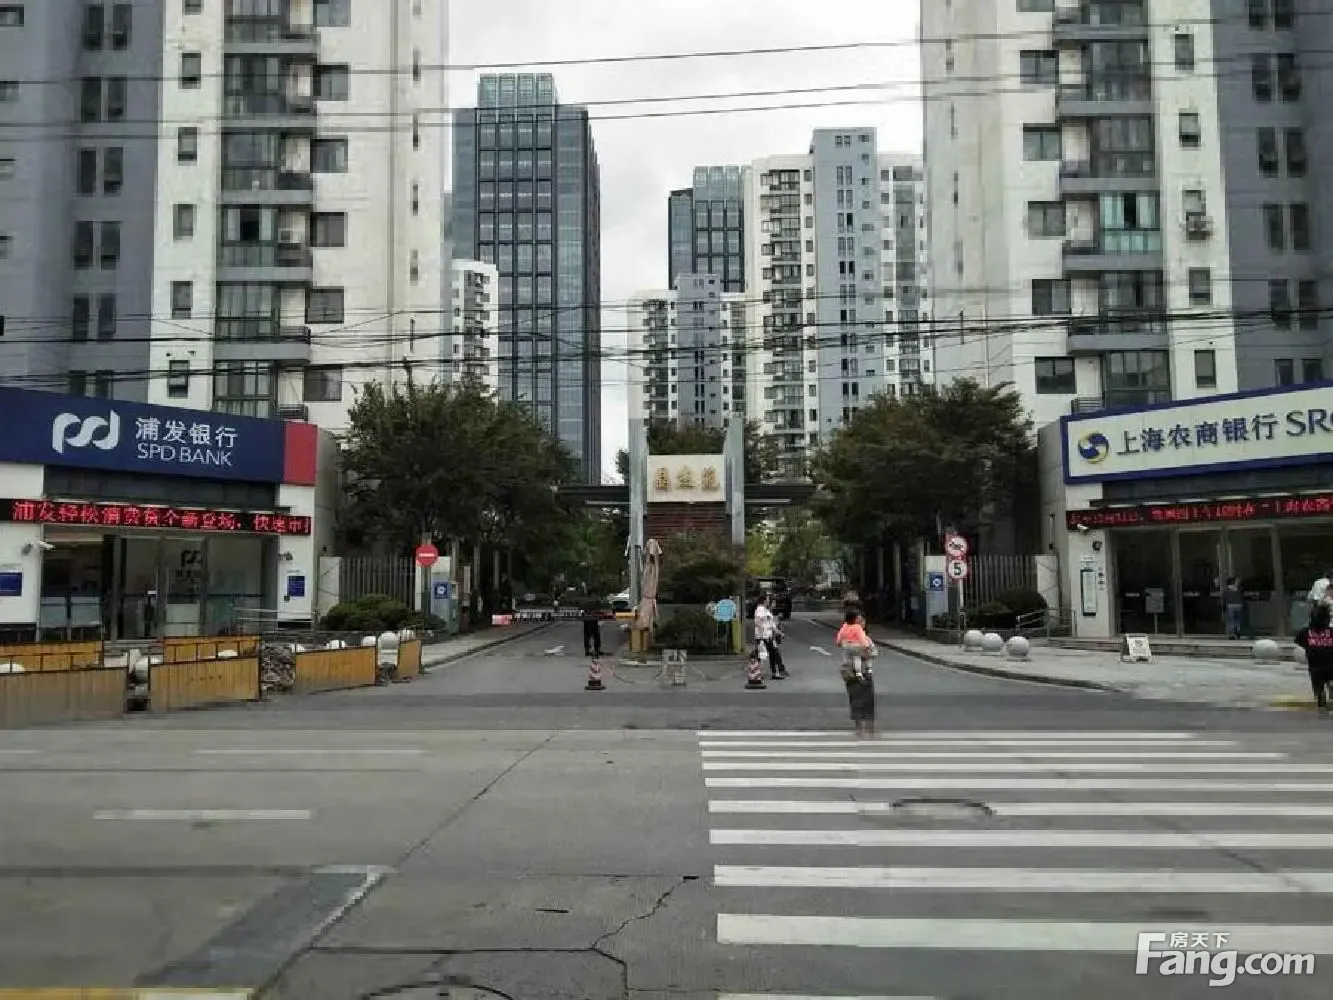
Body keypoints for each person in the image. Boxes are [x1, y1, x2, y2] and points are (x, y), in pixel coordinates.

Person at [835, 609, 877, 738]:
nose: (861, 623)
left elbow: (873, 652)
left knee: (868, 699)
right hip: (851, 672)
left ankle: (869, 727)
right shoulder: (848, 636)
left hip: (864, 672)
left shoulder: (865, 637)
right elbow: (866, 652)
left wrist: (865, 651)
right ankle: (860, 727)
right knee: (856, 699)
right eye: (858, 620)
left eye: (862, 620)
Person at [1295, 604, 1333, 716]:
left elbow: (1299, 643)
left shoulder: (1305, 632)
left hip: (1315, 665)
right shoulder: (1331, 632)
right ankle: (1331, 685)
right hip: (1331, 664)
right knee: (1330, 678)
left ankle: (1322, 706)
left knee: (1318, 686)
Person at [753, 594, 787, 679]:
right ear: (764, 600)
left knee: (773, 654)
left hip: (768, 636)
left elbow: (771, 624)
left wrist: (779, 632)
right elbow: (758, 623)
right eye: (768, 599)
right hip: (763, 637)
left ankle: (774, 673)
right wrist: (761, 637)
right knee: (762, 655)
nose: (769, 601)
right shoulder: (760, 609)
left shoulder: (766, 610)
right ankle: (759, 674)